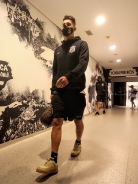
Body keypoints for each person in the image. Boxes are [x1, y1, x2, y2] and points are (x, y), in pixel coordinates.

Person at [36, 15, 89, 174]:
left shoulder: (81, 44)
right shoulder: (58, 50)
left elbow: (83, 64)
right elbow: (55, 72)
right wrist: (53, 91)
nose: (66, 26)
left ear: (74, 27)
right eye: (64, 24)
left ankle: (78, 142)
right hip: (59, 93)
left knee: (78, 121)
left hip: (76, 92)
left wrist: (69, 78)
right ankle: (53, 160)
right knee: (57, 122)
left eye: (69, 24)